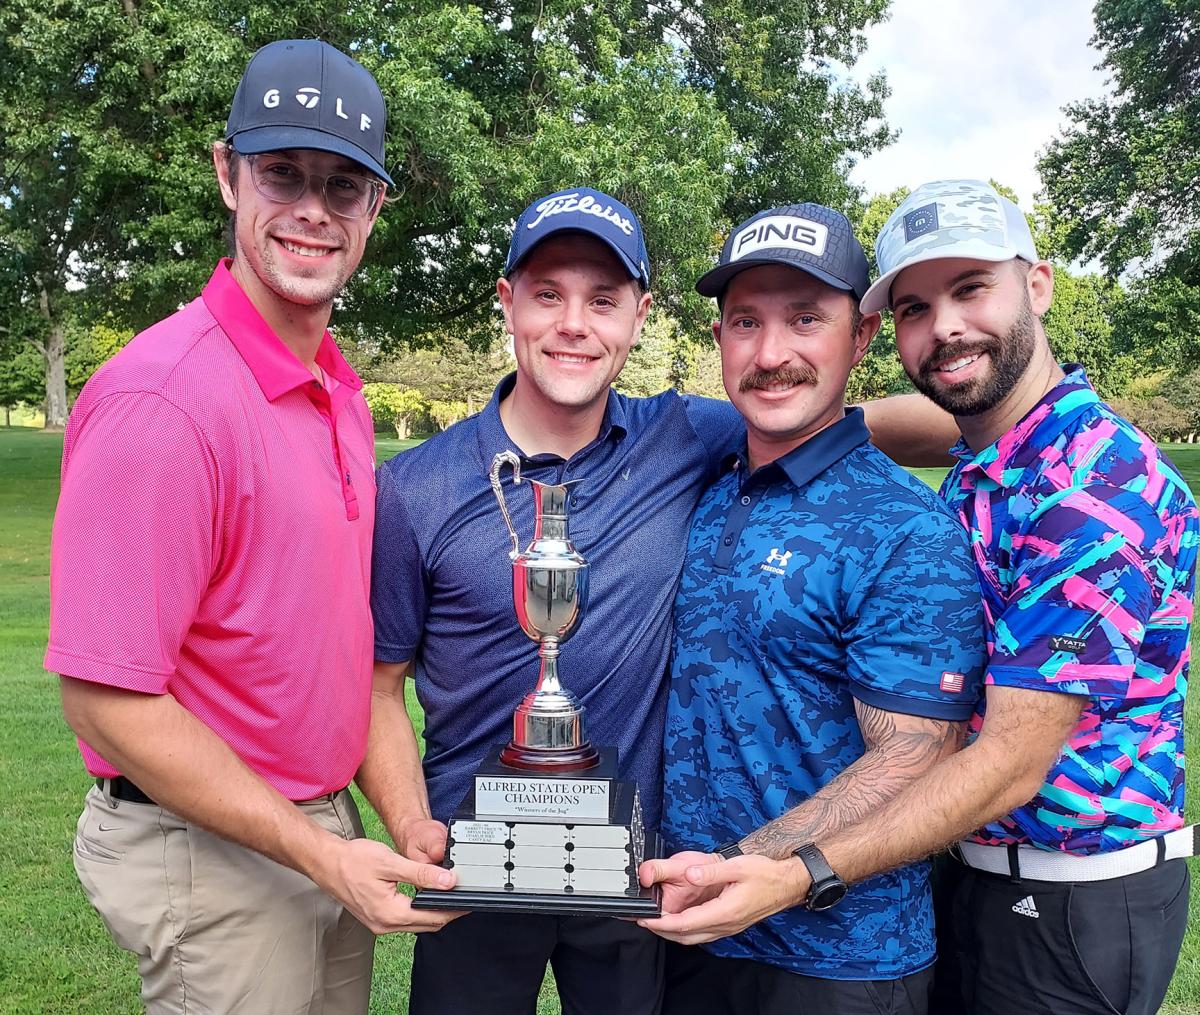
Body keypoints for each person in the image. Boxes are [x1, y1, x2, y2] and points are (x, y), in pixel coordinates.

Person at [648, 180, 1199, 1015]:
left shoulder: (1096, 488)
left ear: (1038, 285)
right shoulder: (995, 450)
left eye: (972, 288)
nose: (945, 326)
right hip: (967, 871)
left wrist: (798, 871)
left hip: (1072, 898)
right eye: (917, 306)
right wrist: (814, 418)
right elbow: (878, 420)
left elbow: (1010, 761)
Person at [46, 39, 457, 1015]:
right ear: (228, 173)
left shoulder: (339, 394)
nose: (314, 209)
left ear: (375, 211)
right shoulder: (165, 398)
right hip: (213, 852)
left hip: (316, 829)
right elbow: (107, 701)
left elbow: (335, 652)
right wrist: (318, 847)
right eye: (282, 172)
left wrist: (401, 818)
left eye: (344, 184)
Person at [364, 186, 746, 1014]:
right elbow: (376, 685)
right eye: (548, 294)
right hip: (472, 861)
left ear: (639, 316)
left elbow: (823, 417)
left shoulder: (684, 437)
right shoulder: (414, 487)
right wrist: (410, 825)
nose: (575, 324)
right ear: (507, 303)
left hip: (623, 862)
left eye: (603, 299)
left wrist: (973, 427)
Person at [636, 204, 987, 1014]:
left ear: (860, 338)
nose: (772, 354)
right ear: (718, 337)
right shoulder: (713, 483)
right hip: (697, 932)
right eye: (745, 322)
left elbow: (915, 756)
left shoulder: (903, 528)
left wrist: (740, 863)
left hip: (839, 957)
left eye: (806, 319)